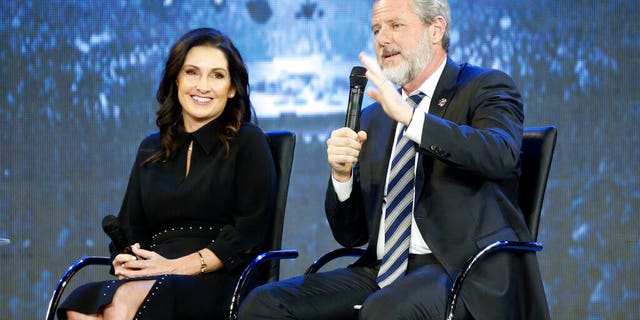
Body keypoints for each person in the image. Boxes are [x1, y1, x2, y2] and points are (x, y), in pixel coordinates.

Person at [238, 0, 550, 319]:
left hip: (461, 270)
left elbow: (501, 154)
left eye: (396, 26)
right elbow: (351, 235)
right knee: (265, 303)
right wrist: (342, 177)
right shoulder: (375, 118)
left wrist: (413, 120)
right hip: (383, 271)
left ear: (436, 29)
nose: (382, 39)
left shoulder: (484, 87)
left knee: (385, 310)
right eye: (376, 29)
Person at [57, 27, 276, 320]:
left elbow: (247, 234)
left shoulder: (248, 142)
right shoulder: (151, 148)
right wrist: (125, 259)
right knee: (80, 304)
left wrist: (175, 267)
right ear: (177, 79)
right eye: (192, 73)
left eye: (217, 75)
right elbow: (131, 226)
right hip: (156, 272)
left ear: (232, 88)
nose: (203, 86)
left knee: (120, 304)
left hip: (221, 276)